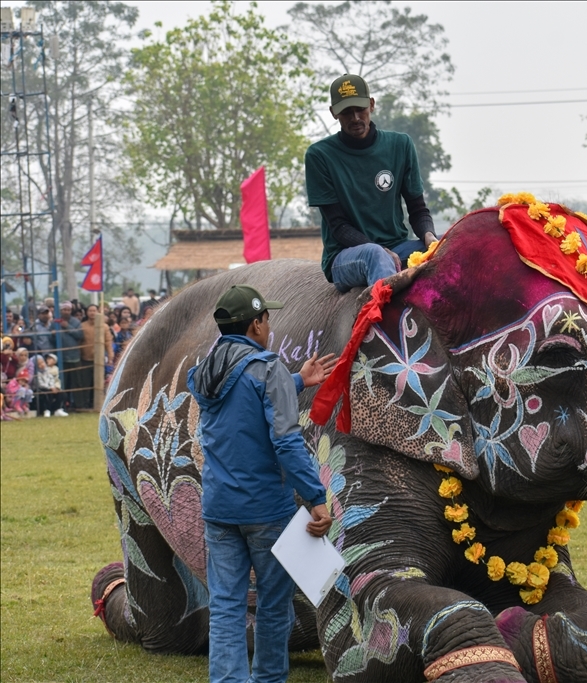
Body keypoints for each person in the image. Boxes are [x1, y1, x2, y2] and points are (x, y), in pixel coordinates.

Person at [186, 284, 337, 683]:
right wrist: (316, 498)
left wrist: (296, 381)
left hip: (219, 510)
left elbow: (242, 396)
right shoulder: (267, 368)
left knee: (226, 606)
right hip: (267, 510)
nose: (269, 326)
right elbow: (286, 442)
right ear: (256, 324)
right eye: (266, 319)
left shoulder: (206, 372)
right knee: (273, 606)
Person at [305, 74, 437, 293]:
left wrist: (430, 237)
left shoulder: (400, 145)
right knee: (374, 255)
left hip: (399, 247)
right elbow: (338, 226)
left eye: (360, 108)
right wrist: (381, 249)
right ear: (334, 113)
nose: (355, 117)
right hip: (347, 255)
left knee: (448, 244)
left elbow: (418, 210)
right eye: (346, 111)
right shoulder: (320, 155)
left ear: (372, 105)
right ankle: (380, 325)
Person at [80, 304, 113, 410]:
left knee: (99, 383)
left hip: (99, 360)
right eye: (90, 310)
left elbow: (108, 342)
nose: (92, 313)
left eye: (94, 310)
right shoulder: (82, 326)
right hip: (85, 359)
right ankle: (85, 404)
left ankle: (99, 404)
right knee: (86, 383)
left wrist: (110, 355)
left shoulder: (104, 327)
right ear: (86, 312)